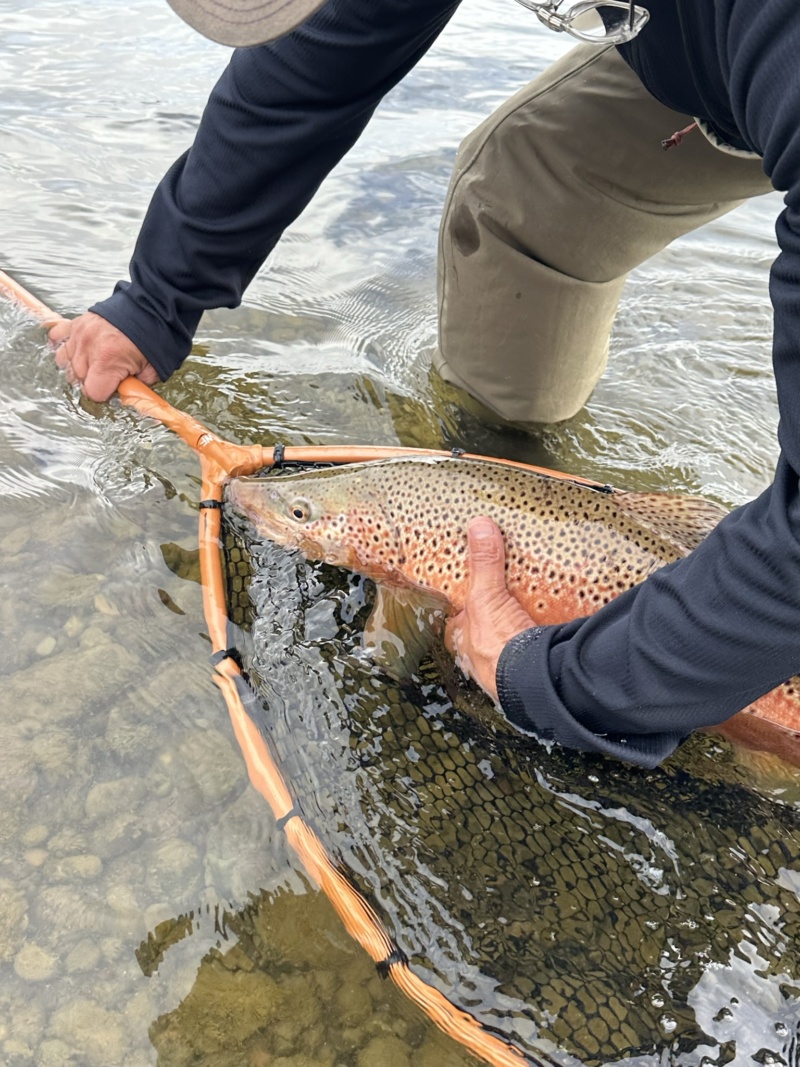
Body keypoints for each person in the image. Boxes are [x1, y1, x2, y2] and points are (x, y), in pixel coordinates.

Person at [50, 0, 800, 767]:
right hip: (696, 47)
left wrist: (555, 682)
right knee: (518, 191)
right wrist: (156, 295)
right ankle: (514, 465)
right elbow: (318, 55)